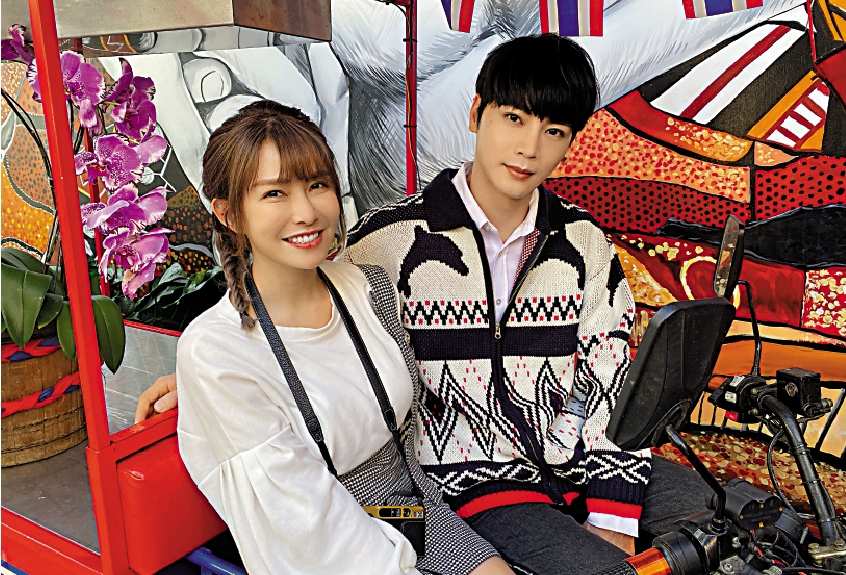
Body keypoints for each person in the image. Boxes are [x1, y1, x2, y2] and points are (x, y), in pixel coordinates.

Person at [139, 35, 713, 575]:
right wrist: (198, 377)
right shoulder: (386, 245)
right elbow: (291, 314)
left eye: (554, 130)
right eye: (513, 119)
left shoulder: (584, 243)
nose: (529, 147)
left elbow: (611, 379)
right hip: (463, 481)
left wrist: (613, 512)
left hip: (577, 459)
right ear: (476, 114)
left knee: (728, 523)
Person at [174, 99, 514, 575]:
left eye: (317, 185)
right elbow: (308, 527)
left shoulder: (367, 287)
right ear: (229, 214)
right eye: (275, 193)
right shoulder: (217, 353)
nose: (306, 212)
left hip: (413, 511)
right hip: (326, 548)